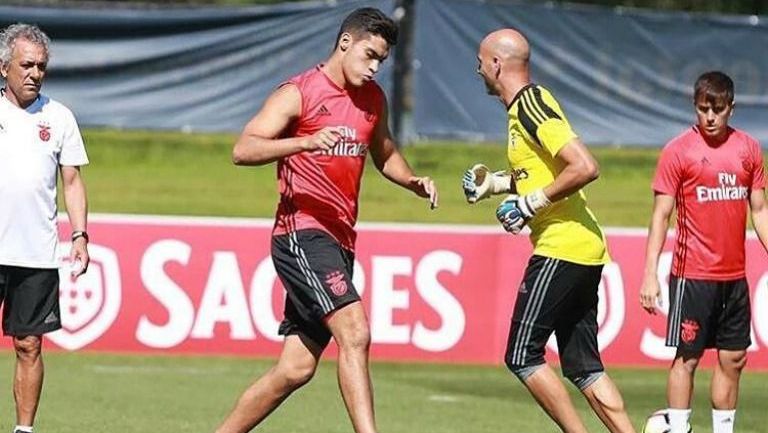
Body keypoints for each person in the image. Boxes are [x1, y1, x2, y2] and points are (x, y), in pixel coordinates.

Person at [215, 8, 437, 433]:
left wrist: (412, 180)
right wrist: (304, 141)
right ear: (345, 43)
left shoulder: (373, 100)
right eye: (369, 55)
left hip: (339, 241)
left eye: (382, 61)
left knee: (296, 369)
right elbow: (243, 149)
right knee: (355, 331)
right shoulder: (299, 92)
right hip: (300, 233)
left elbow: (385, 153)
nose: (374, 67)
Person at [463, 28, 635, 433]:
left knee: (522, 354)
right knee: (583, 366)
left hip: (563, 245)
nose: (477, 68)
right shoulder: (523, 108)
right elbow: (543, 172)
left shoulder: (530, 105)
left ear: (496, 64)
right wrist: (498, 185)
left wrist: (530, 204)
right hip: (581, 248)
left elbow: (584, 166)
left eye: (480, 60)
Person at [639, 71, 767, 433]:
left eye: (718, 109)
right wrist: (649, 274)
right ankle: (678, 428)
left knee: (734, 358)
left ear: (732, 108)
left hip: (734, 277)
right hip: (692, 275)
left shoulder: (748, 149)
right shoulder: (678, 151)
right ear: (694, 107)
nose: (710, 117)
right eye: (702, 109)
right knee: (688, 358)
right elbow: (661, 215)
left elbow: (759, 210)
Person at [0, 23, 90, 433]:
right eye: (26, 65)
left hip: (35, 252)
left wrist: (79, 234)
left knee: (29, 345)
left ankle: (24, 430)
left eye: (41, 66)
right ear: (4, 68)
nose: (35, 73)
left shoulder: (59, 117)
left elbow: (71, 181)